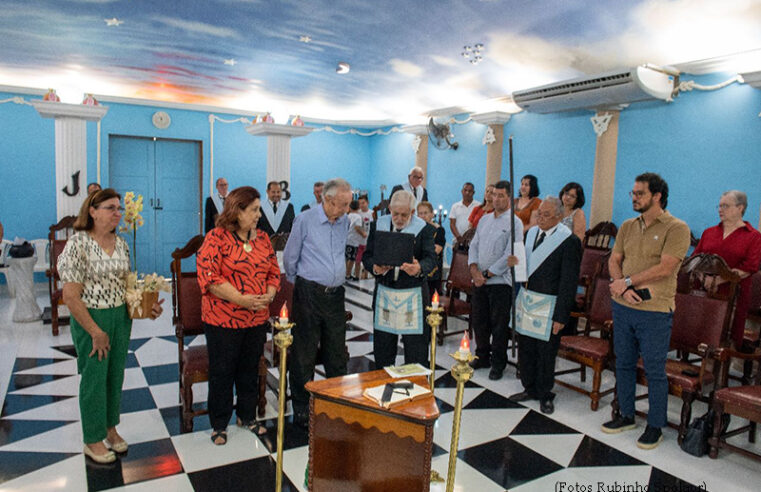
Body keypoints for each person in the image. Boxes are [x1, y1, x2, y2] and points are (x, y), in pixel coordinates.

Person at [58, 189, 164, 464]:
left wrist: (146, 307)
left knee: (114, 376)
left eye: (119, 208)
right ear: (92, 211)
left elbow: (127, 286)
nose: (118, 213)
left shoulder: (122, 244)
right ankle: (92, 439)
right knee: (94, 378)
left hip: (119, 316)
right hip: (91, 317)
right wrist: (95, 331)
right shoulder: (78, 244)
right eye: (111, 208)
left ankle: (110, 428)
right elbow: (70, 296)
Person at [602, 172, 691, 450]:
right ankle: (626, 414)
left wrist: (627, 281)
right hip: (624, 305)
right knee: (624, 363)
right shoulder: (629, 225)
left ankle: (655, 425)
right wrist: (621, 287)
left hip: (654, 309)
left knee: (654, 369)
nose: (634, 198)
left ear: (657, 196)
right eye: (633, 193)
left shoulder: (676, 228)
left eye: (639, 193)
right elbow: (615, 259)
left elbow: (666, 267)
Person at [197, 186, 280, 446]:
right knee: (222, 371)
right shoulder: (216, 238)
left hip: (256, 319)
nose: (258, 214)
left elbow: (273, 272)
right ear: (238, 211)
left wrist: (269, 294)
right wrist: (242, 300)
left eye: (258, 209)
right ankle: (219, 423)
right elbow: (210, 279)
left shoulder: (263, 239)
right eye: (254, 209)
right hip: (222, 319)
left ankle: (247, 416)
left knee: (249, 369)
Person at [284, 177, 353, 427]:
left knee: (336, 353)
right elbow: (290, 257)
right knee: (304, 353)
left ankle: (336, 401)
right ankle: (301, 408)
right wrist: (303, 283)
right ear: (327, 199)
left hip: (336, 294)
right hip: (309, 294)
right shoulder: (305, 220)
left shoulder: (344, 220)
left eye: (348, 204)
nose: (346, 210)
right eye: (342, 204)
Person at [508, 197, 581, 414]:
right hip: (528, 299)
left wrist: (561, 317)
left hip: (549, 304)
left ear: (559, 217)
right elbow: (525, 267)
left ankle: (545, 393)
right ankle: (529, 388)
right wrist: (514, 264)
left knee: (546, 351)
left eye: (546, 215)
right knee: (526, 347)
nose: (540, 218)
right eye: (539, 213)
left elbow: (569, 282)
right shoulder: (531, 234)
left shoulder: (568, 241)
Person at [363, 190, 436, 369]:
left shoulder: (424, 229)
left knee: (416, 353)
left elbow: (431, 259)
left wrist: (419, 268)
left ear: (412, 211)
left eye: (405, 214)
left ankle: (414, 392)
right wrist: (375, 267)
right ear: (389, 209)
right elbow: (367, 256)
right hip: (385, 295)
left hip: (413, 295)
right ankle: (382, 390)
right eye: (395, 214)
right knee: (383, 351)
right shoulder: (377, 225)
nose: (400, 218)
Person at [468, 180, 524, 380]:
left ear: (509, 197)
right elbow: (474, 245)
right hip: (479, 280)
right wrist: (474, 269)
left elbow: (511, 253)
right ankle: (482, 356)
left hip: (501, 282)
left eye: (501, 195)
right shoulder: (484, 219)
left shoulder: (514, 222)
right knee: (479, 321)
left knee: (499, 325)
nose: (497, 198)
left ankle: (498, 363)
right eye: (494, 194)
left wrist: (488, 274)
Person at [693, 190, 761, 348]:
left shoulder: (753, 237)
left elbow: (750, 267)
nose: (720, 209)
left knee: (722, 342)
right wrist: (705, 279)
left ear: (740, 208)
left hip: (733, 295)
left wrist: (719, 280)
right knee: (698, 337)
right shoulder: (709, 232)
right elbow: (695, 260)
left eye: (725, 205)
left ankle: (714, 371)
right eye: (719, 205)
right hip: (704, 291)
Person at [418, 201, 446, 296]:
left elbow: (436, 250)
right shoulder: (416, 230)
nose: (423, 216)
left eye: (425, 213)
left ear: (431, 214)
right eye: (420, 213)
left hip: (433, 269)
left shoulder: (438, 230)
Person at [450, 182, 479, 250]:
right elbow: (452, 224)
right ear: (462, 191)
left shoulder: (478, 206)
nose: (467, 193)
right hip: (458, 241)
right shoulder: (455, 206)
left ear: (473, 192)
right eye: (465, 190)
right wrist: (459, 237)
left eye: (470, 191)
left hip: (473, 242)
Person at [345, 200, 366, 281]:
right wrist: (363, 234)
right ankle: (348, 274)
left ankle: (347, 273)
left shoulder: (348, 216)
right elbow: (357, 227)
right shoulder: (358, 217)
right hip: (354, 241)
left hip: (347, 240)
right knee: (352, 259)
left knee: (347, 258)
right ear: (359, 207)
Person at [356, 195, 374, 279]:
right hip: (359, 240)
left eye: (363, 203)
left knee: (367, 257)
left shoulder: (372, 213)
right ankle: (357, 274)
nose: (362, 205)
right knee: (358, 258)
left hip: (368, 239)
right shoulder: (357, 213)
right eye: (360, 203)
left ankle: (365, 272)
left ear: (367, 202)